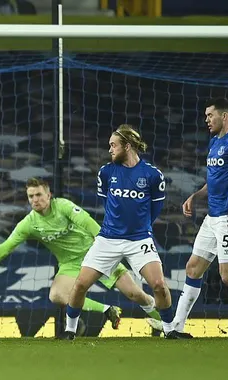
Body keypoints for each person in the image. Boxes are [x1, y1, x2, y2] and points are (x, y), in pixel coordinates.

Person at [0, 177, 163, 334]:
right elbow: (6, 247)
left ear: (48, 195)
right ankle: (107, 309)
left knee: (136, 295)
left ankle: (166, 323)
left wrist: (105, 246)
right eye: (30, 196)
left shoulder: (63, 206)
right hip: (70, 264)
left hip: (98, 254)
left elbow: (89, 223)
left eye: (38, 195)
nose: (35, 200)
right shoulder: (29, 223)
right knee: (57, 295)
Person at [63, 124, 183, 339]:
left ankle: (169, 329)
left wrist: (138, 228)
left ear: (127, 146)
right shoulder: (106, 172)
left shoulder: (153, 175)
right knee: (80, 284)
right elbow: (107, 202)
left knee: (159, 285)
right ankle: (69, 331)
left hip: (139, 240)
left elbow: (155, 209)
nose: (109, 149)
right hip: (107, 239)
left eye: (113, 145)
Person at [171, 98, 228, 337]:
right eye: (205, 116)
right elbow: (214, 181)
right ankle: (176, 328)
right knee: (193, 268)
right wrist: (196, 195)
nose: (206, 120)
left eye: (210, 115)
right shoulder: (214, 142)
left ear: (224, 116)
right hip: (212, 217)